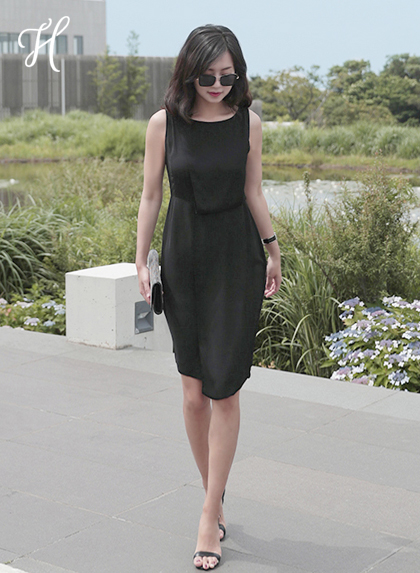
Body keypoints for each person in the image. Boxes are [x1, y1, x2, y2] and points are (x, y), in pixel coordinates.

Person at [136, 24, 282, 570]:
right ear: (188, 73)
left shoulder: (249, 123)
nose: (219, 85)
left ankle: (207, 513)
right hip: (183, 257)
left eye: (228, 76)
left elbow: (253, 190)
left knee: (225, 390)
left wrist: (273, 249)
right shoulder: (163, 124)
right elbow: (151, 195)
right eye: (208, 77)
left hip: (236, 258)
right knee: (194, 393)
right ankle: (214, 496)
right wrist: (141, 260)